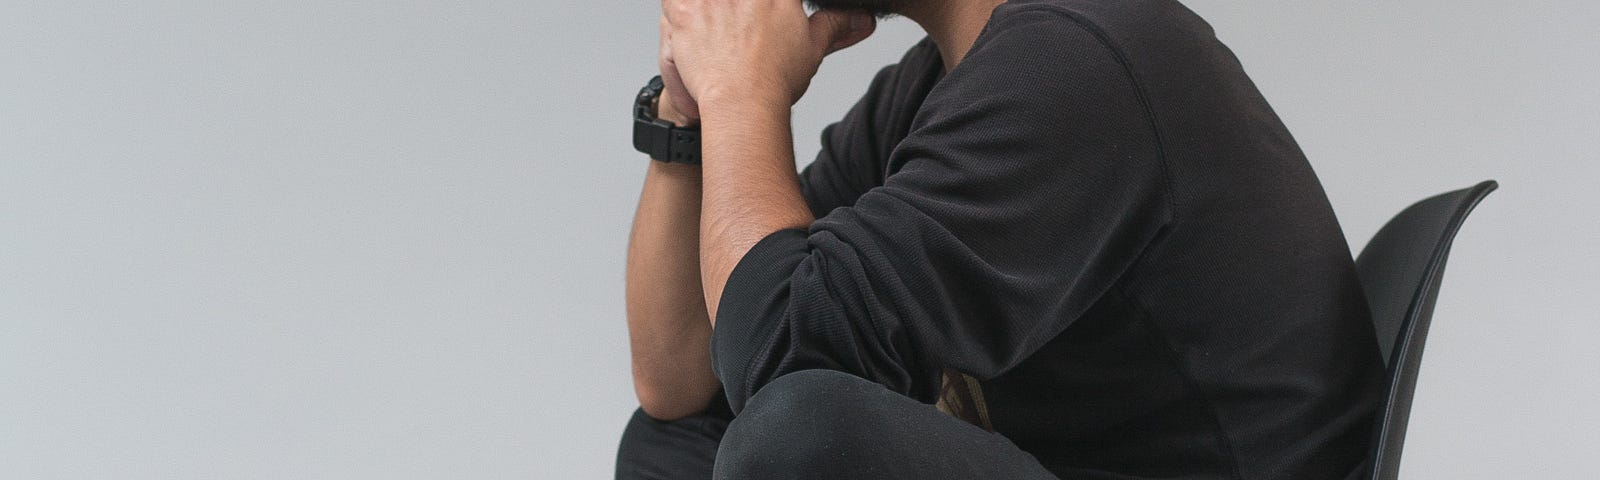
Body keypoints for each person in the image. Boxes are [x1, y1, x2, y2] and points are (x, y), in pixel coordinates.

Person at [618, 0, 1384, 478]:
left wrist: (741, 94)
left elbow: (779, 367)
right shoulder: (937, 88)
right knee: (682, 443)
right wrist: (689, 117)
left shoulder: (1077, 60)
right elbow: (683, 378)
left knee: (797, 436)